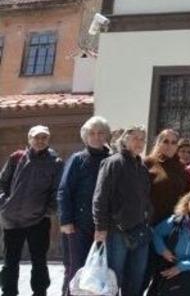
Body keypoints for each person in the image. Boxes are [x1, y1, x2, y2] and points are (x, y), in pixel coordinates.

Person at [0, 125, 64, 296]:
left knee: (39, 261)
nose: (40, 140)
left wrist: (46, 212)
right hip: (12, 220)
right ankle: (8, 292)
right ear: (29, 139)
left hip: (38, 221)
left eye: (44, 137)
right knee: (10, 262)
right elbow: (2, 182)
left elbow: (56, 191)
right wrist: (3, 203)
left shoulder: (55, 163)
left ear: (48, 140)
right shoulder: (16, 158)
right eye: (36, 137)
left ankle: (40, 292)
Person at [93, 126, 153, 296]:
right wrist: (100, 227)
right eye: (135, 138)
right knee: (113, 278)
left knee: (136, 277)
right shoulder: (113, 162)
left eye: (142, 139)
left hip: (140, 230)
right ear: (125, 140)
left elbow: (145, 197)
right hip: (116, 231)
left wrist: (148, 214)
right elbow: (100, 197)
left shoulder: (141, 167)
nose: (139, 142)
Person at [57, 116, 112, 295]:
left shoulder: (113, 160)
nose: (96, 137)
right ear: (86, 136)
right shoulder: (77, 159)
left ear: (106, 136)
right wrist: (66, 220)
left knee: (99, 272)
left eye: (100, 133)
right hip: (78, 225)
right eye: (92, 133)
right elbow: (64, 191)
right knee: (76, 270)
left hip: (104, 224)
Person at [145, 130, 190, 225]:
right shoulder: (147, 163)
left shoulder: (181, 167)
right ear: (158, 143)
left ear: (177, 146)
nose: (169, 145)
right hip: (151, 223)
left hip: (174, 223)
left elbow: (187, 194)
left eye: (173, 142)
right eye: (165, 141)